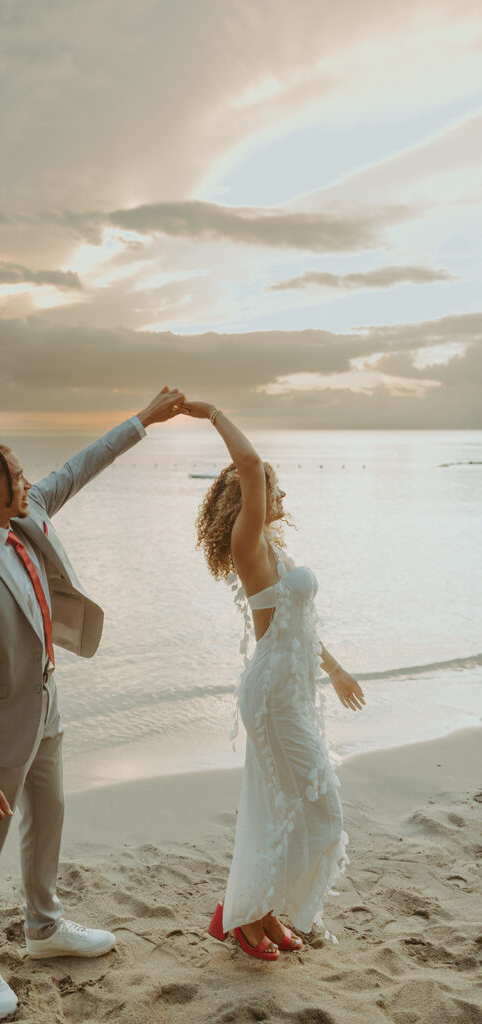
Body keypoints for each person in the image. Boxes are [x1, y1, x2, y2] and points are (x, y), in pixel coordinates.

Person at [0, 387, 184, 1020]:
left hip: (46, 705)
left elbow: (78, 466)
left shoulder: (28, 511)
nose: (26, 481)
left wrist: (143, 420)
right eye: (14, 477)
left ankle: (43, 928)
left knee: (50, 815)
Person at [181, 400, 365, 961]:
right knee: (318, 806)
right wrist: (212, 413)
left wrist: (334, 671)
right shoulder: (248, 544)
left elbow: (298, 624)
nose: (280, 496)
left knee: (280, 806)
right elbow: (251, 461)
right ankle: (244, 914)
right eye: (270, 489)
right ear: (248, 500)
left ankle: (250, 913)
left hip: (290, 691)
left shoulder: (275, 551)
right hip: (270, 698)